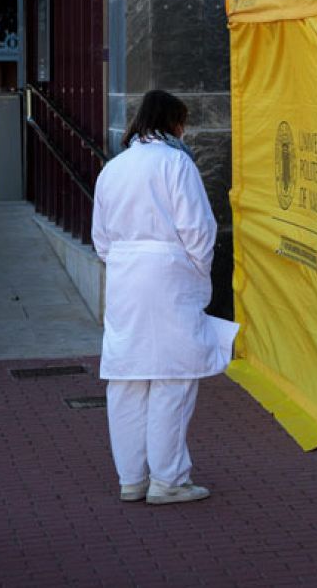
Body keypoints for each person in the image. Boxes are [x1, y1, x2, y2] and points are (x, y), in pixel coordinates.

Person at [92, 89, 237, 506]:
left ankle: (131, 478)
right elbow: (198, 229)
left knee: (127, 379)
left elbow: (101, 239)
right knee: (174, 377)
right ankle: (169, 479)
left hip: (124, 278)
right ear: (174, 122)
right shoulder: (176, 162)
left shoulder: (113, 168)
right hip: (169, 274)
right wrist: (197, 272)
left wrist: (125, 262)